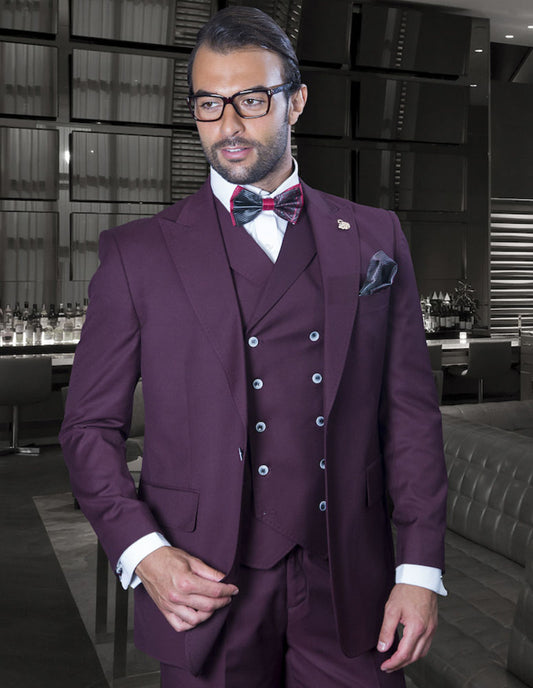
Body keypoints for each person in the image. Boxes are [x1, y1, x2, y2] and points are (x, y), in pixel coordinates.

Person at [60, 6, 448, 687]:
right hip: (203, 580)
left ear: (294, 101)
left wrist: (418, 569)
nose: (228, 125)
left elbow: (411, 417)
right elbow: (89, 427)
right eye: (209, 103)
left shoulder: (375, 236)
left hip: (348, 580)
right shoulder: (137, 254)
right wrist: (143, 550)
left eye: (250, 99)